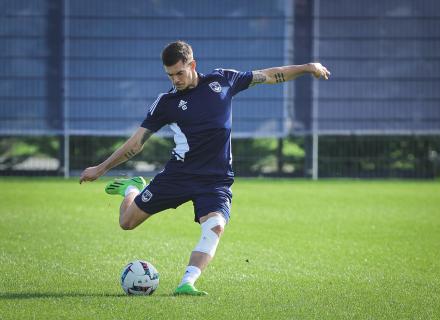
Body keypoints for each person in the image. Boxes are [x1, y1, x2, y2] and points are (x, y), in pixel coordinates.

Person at [79, 40, 330, 296]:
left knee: (216, 226)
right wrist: (101, 168)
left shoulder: (223, 80)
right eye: (170, 75)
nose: (175, 80)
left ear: (193, 65)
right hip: (179, 175)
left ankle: (187, 282)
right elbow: (136, 143)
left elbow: (269, 75)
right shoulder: (166, 103)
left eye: (179, 72)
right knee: (126, 222)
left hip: (215, 181)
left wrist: (308, 67)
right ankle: (132, 189)